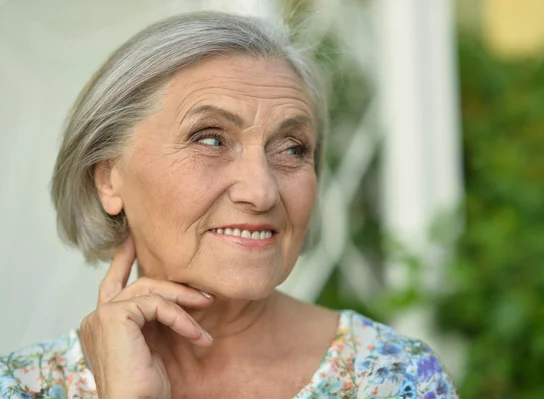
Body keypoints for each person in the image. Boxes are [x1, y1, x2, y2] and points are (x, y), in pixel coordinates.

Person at [0, 11, 458, 399]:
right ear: (108, 179)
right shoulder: (21, 385)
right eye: (212, 139)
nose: (261, 192)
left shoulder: (393, 378)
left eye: (293, 149)